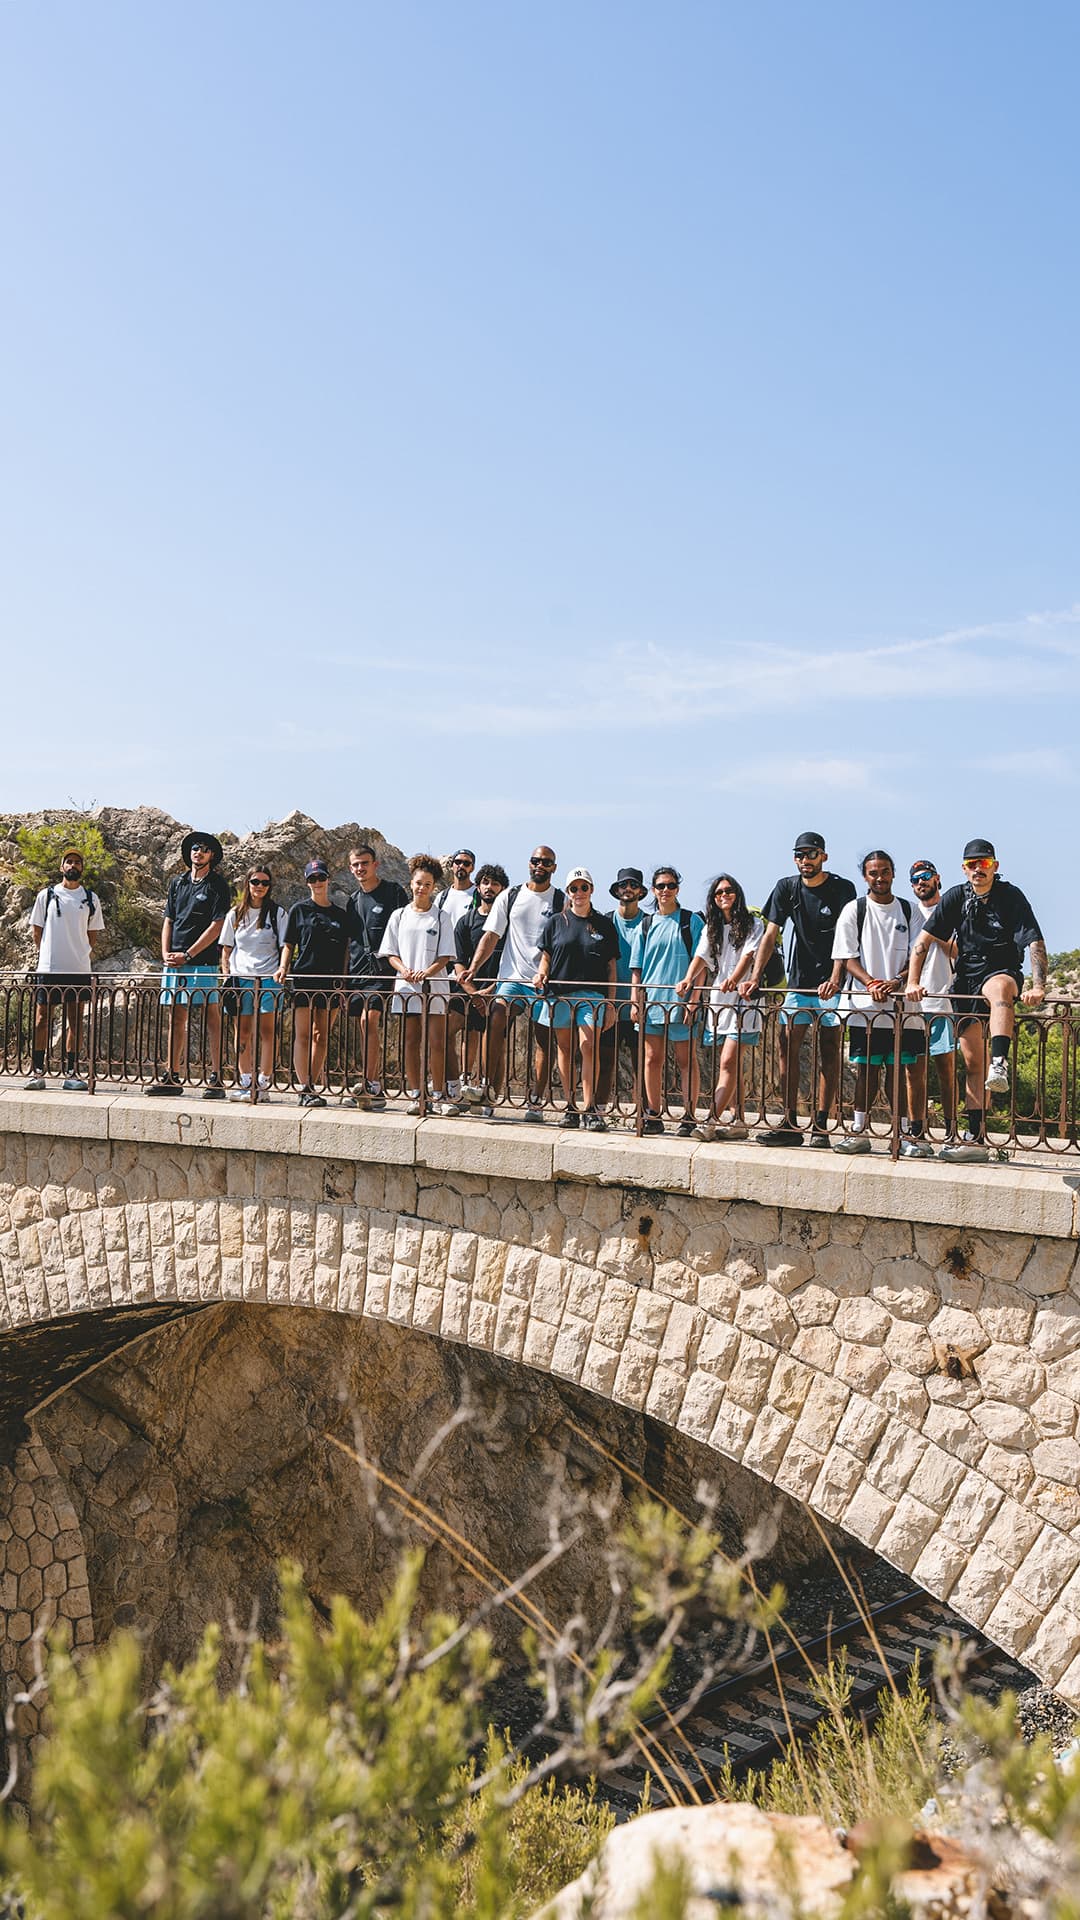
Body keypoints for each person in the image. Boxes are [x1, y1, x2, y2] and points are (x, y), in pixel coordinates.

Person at [906, 838, 1047, 1164]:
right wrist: (913, 981)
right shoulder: (957, 896)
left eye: (984, 864)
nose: (978, 870)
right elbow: (922, 942)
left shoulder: (1011, 896)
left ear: (995, 866)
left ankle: (1001, 1061)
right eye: (972, 865)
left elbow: (1034, 941)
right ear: (964, 868)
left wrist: (1039, 985)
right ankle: (976, 1138)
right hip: (966, 981)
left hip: (1002, 970)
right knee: (972, 1065)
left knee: (999, 990)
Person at [743, 831, 856, 1147]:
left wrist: (835, 978)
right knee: (786, 1050)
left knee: (830, 1052)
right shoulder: (787, 887)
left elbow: (846, 937)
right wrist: (755, 976)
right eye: (800, 855)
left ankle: (821, 1125)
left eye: (811, 854)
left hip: (832, 984)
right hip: (799, 983)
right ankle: (790, 1122)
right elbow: (770, 935)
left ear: (824, 857)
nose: (805, 860)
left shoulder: (842, 889)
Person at [825, 851, 926, 1157]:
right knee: (866, 1072)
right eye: (873, 873)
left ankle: (904, 1136)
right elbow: (847, 956)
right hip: (864, 1008)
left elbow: (917, 954)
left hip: (902, 1008)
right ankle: (859, 1132)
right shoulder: (854, 910)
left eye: (884, 872)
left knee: (899, 1072)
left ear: (893, 874)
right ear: (865, 876)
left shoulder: (909, 911)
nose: (879, 877)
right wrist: (870, 983)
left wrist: (897, 982)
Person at [460, 846, 565, 1121]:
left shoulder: (560, 901)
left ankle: (536, 1100)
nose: (539, 865)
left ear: (553, 867)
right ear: (528, 863)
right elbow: (491, 935)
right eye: (535, 861)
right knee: (495, 1019)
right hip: (512, 978)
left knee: (543, 1039)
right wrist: (473, 968)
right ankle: (487, 1087)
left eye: (546, 862)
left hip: (544, 981)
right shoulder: (511, 895)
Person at [677, 875, 762, 1143]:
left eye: (728, 891)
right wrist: (689, 979)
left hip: (744, 1001)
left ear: (737, 893)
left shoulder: (752, 924)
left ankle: (711, 1121)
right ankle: (738, 1122)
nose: (723, 895)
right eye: (718, 893)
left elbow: (749, 954)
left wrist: (734, 980)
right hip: (720, 1001)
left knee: (727, 1061)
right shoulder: (712, 926)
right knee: (731, 1064)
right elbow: (701, 956)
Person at [533, 869, 618, 1131]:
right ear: (568, 892)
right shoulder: (556, 922)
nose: (579, 893)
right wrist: (541, 974)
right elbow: (546, 955)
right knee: (565, 1050)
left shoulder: (604, 924)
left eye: (584, 888)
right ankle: (570, 1106)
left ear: (591, 890)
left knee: (588, 1046)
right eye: (574, 889)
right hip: (560, 994)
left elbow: (611, 967)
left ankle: (591, 1108)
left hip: (592, 996)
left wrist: (611, 1004)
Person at [148, 832, 231, 1097]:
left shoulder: (218, 885)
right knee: (176, 1016)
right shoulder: (178, 883)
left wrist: (190, 954)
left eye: (205, 849)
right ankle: (172, 1076)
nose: (199, 852)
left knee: (211, 1016)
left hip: (202, 961)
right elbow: (169, 920)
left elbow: (217, 925)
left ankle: (216, 1078)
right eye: (195, 848)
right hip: (175, 961)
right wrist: (166, 952)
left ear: (212, 855)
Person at [378, 855, 462, 1116]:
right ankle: (416, 1094)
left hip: (434, 987)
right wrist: (405, 971)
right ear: (411, 883)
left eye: (427, 884)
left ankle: (437, 1094)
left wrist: (427, 972)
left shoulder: (441, 917)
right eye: (418, 883)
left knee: (437, 1041)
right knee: (411, 1040)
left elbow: (446, 955)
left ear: (433, 886)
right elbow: (390, 952)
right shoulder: (399, 915)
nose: (422, 888)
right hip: (406, 987)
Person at [630, 867, 704, 1137]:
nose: (665, 891)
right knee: (652, 1059)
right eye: (660, 886)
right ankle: (653, 1113)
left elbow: (701, 964)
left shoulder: (691, 922)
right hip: (651, 1002)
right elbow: (637, 967)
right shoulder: (646, 925)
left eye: (670, 885)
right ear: (652, 889)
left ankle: (689, 1114)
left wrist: (693, 1001)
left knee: (686, 1060)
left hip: (681, 1003)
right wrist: (634, 1000)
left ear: (678, 889)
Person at [24, 847, 105, 1092]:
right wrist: (49, 954)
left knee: (75, 1022)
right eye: (68, 861)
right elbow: (37, 931)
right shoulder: (46, 895)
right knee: (41, 1019)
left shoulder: (90, 898)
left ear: (82, 868)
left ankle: (71, 1073)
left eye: (77, 862)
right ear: (62, 867)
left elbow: (92, 937)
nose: (73, 865)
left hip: (78, 970)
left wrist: (78, 953)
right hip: (49, 969)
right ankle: (37, 1071)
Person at [275, 859, 349, 1108]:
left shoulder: (340, 915)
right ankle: (304, 1086)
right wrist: (283, 967)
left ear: (328, 879)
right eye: (312, 879)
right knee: (303, 1034)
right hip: (305, 978)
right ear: (307, 882)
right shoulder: (299, 910)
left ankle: (312, 1085)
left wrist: (345, 982)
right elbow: (289, 944)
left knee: (322, 1035)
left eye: (321, 877)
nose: (317, 882)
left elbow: (348, 950)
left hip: (332, 981)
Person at [343, 846, 408, 1111]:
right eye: (356, 864)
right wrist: (344, 978)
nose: (360, 868)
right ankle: (372, 1084)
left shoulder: (393, 893)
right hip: (358, 971)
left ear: (376, 864)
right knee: (363, 1026)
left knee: (369, 1020)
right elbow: (350, 942)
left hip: (384, 971)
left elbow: (407, 929)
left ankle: (370, 1083)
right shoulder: (353, 899)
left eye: (365, 863)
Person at [220, 866, 289, 1102]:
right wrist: (227, 973)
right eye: (255, 881)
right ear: (247, 883)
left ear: (270, 887)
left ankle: (264, 1082)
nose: (259, 886)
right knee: (243, 1031)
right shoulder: (235, 914)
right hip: (241, 979)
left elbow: (285, 946)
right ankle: (246, 1080)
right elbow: (226, 949)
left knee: (268, 1031)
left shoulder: (277, 913)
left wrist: (282, 969)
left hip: (269, 977)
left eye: (265, 883)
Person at [904, 859, 958, 1148]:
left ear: (937, 878)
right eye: (915, 880)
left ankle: (951, 1132)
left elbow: (959, 952)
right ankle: (917, 1132)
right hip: (913, 1005)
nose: (920, 883)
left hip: (942, 1001)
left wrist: (934, 931)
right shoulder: (908, 914)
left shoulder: (951, 912)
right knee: (914, 1072)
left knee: (946, 1071)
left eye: (925, 877)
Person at [452, 862, 508, 1111]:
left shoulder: (509, 923)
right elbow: (459, 961)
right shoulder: (465, 922)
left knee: (495, 1042)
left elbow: (512, 959)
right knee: (449, 1030)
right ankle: (459, 1085)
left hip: (497, 991)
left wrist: (491, 991)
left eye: (495, 883)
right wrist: (474, 993)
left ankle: (489, 1093)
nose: (490, 887)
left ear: (503, 889)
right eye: (485, 882)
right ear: (478, 886)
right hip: (468, 990)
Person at [596, 867, 649, 1122]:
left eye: (632, 884)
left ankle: (646, 1115)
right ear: (616, 890)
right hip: (611, 1008)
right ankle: (598, 1112)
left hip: (640, 1008)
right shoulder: (606, 922)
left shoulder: (650, 922)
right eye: (623, 885)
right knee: (605, 1064)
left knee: (643, 1066)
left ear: (640, 891)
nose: (627, 888)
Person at [437, 850, 478, 1097]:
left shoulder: (476, 895)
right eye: (458, 862)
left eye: (467, 863)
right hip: (444, 971)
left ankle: (466, 1077)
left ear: (472, 867)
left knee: (470, 1028)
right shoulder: (442, 896)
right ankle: (450, 1078)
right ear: (451, 866)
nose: (461, 866)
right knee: (445, 1028)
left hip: (467, 970)